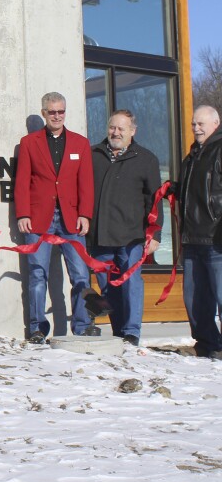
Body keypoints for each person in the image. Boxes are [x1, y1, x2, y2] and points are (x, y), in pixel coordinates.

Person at [14, 91, 94, 343]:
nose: (57, 116)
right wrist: (23, 213)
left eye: (61, 111)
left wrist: (85, 214)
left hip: (71, 219)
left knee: (80, 274)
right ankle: (37, 328)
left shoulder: (80, 144)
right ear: (44, 114)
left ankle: (82, 326)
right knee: (37, 274)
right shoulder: (29, 143)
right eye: (52, 112)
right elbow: (22, 181)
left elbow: (86, 184)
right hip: (39, 219)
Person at [88, 110, 162, 346]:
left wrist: (156, 234)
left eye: (121, 128)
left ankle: (132, 333)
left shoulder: (146, 159)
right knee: (107, 289)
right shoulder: (93, 155)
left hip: (133, 237)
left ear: (132, 131)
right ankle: (119, 331)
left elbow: (155, 200)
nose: (116, 132)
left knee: (131, 285)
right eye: (112, 127)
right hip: (100, 236)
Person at [176, 105, 222, 360]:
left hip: (216, 238)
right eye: (194, 124)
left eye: (201, 124)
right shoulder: (191, 157)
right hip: (192, 239)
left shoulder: (219, 149)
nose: (196, 128)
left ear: (215, 123)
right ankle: (207, 345)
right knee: (195, 300)